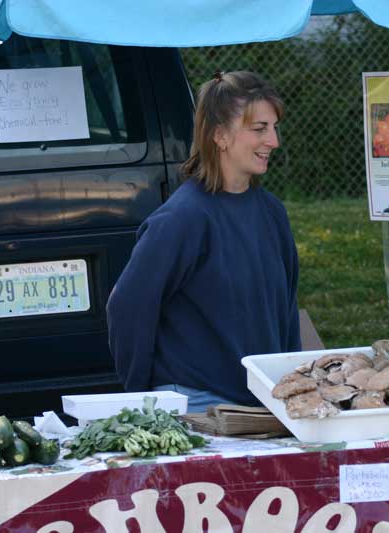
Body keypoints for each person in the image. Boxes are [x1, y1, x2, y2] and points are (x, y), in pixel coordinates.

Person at [106, 71, 301, 412]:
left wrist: (292, 387)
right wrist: (140, 394)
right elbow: (127, 307)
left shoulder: (272, 213)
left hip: (263, 404)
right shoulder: (182, 219)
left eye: (274, 128)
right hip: (199, 407)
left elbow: (286, 315)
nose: (274, 141)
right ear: (220, 136)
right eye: (259, 129)